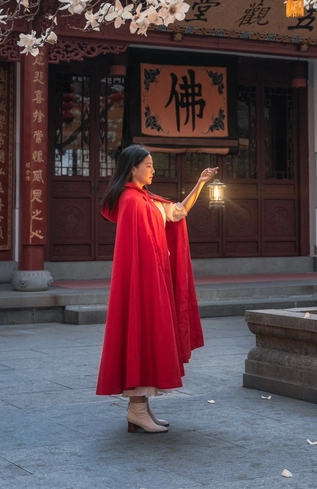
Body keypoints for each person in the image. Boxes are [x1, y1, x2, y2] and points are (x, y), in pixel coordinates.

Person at [96, 144, 218, 433]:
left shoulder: (146, 199)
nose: (153, 169)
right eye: (148, 165)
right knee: (140, 335)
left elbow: (178, 212)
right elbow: (137, 250)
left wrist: (200, 183)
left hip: (152, 278)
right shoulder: (132, 201)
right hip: (142, 282)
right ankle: (137, 409)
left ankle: (140, 408)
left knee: (147, 337)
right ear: (133, 168)